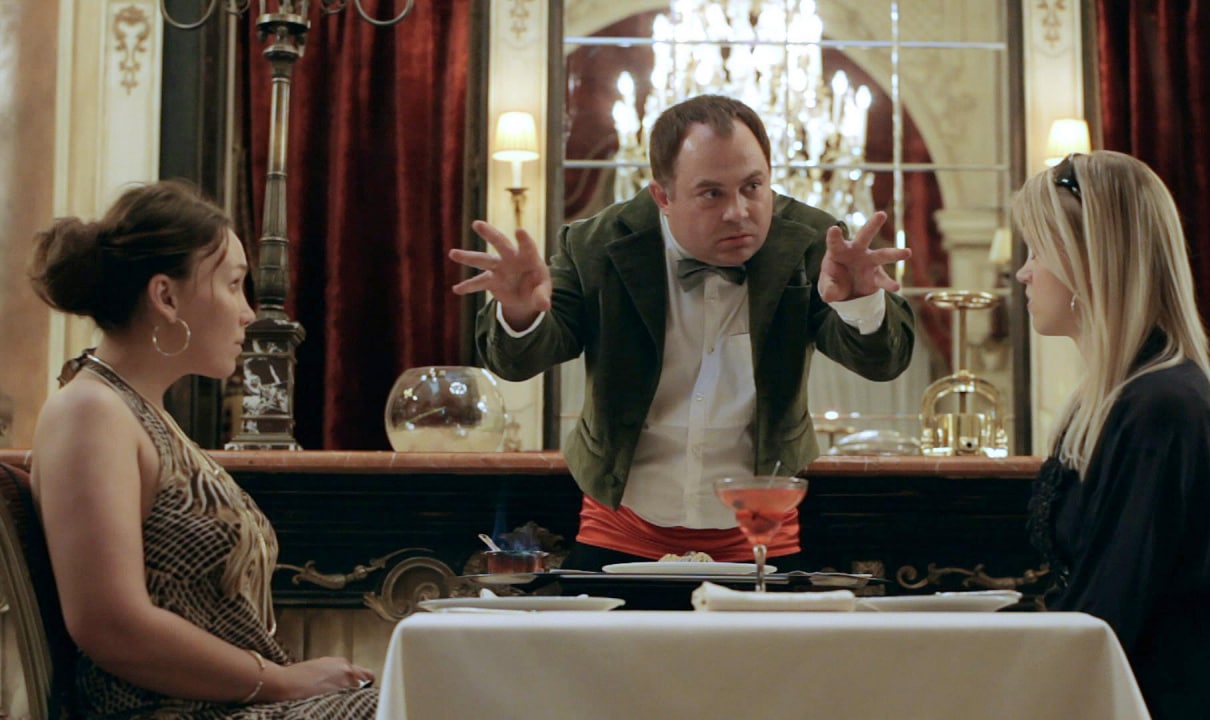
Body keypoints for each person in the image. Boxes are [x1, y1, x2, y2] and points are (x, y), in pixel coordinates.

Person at [450, 95, 915, 570]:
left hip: (762, 528)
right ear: (663, 196)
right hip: (621, 526)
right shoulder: (596, 244)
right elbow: (518, 362)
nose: (738, 211)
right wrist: (520, 312)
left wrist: (861, 302)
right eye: (712, 193)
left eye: (753, 186)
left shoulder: (813, 240)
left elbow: (882, 363)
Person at [27, 180, 379, 718]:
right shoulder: (90, 411)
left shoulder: (141, 414)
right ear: (166, 297)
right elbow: (109, 624)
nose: (248, 313)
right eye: (234, 285)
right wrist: (282, 682)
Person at [1015, 151, 1210, 718]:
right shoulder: (1130, 396)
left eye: (1036, 251)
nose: (1023, 273)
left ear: (1088, 261)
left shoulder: (1160, 407)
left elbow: (1109, 612)